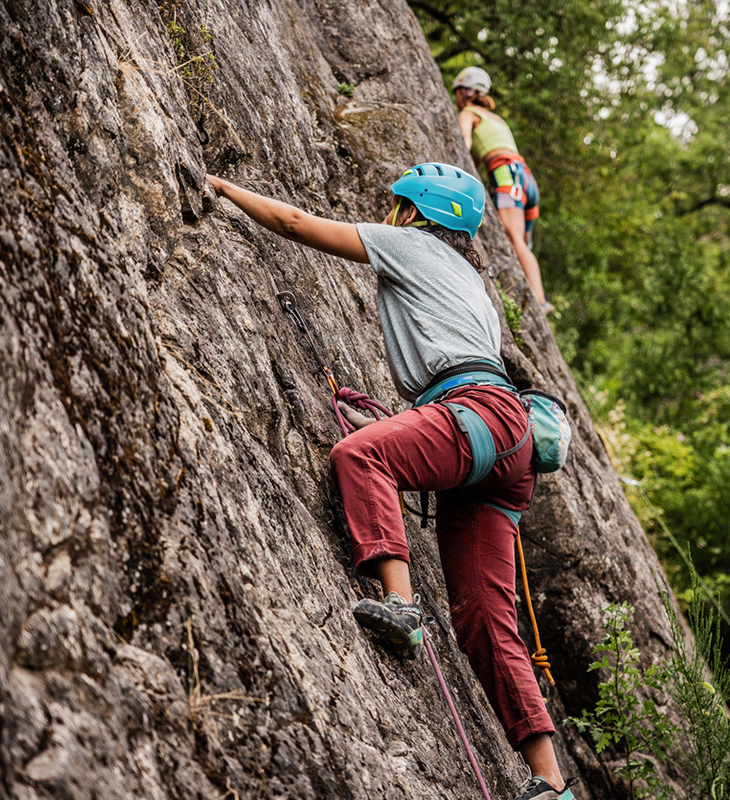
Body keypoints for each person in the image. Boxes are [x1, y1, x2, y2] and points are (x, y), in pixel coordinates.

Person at [205, 164, 574, 800]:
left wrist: (222, 189)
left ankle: (401, 607)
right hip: (505, 443)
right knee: (488, 620)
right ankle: (552, 785)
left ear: (417, 211)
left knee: (360, 455)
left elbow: (296, 223)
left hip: (477, 415)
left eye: (400, 204)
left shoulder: (408, 243)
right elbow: (458, 371)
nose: (392, 213)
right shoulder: (471, 279)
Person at [452, 66, 552, 315]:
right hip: (526, 180)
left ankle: (539, 302)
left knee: (515, 240)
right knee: (523, 245)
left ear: (466, 92)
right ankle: (538, 298)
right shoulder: (496, 120)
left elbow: (463, 142)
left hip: (507, 175)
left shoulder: (469, 112)